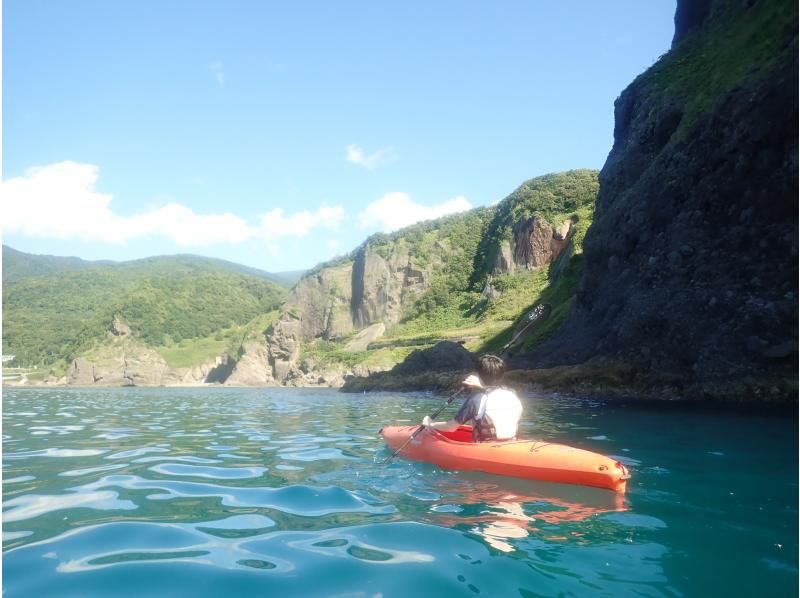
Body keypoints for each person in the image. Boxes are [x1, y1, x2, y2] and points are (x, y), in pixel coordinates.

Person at [422, 354, 523, 442]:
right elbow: (492, 394)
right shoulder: (512, 394)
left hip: (486, 449)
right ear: (501, 375)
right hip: (512, 442)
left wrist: (430, 424)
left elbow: (451, 427)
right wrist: (481, 387)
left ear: (478, 376)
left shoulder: (477, 399)